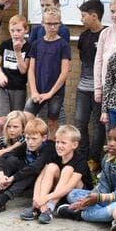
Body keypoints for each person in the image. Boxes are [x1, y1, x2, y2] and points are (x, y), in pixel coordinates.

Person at [57, 124, 116, 224]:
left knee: (115, 209)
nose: (111, 143)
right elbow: (103, 186)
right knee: (72, 194)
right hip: (108, 199)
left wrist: (100, 198)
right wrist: (89, 199)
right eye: (109, 139)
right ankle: (108, 217)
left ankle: (80, 214)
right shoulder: (108, 158)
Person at [0, 118, 54, 215]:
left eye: (34, 139)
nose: (30, 142)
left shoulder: (48, 147)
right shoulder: (26, 145)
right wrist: (0, 173)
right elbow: (4, 156)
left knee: (31, 172)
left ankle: (1, 202)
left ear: (44, 138)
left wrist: (12, 178)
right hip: (23, 176)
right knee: (11, 160)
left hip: (39, 182)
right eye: (27, 138)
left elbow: (35, 167)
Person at [22, 125, 92, 223]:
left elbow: (69, 187)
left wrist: (46, 198)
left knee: (68, 169)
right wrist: (37, 199)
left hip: (76, 193)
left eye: (63, 143)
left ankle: (50, 207)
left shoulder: (80, 160)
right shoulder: (54, 155)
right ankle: (39, 208)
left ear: (74, 145)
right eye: (57, 142)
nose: (59, 145)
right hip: (57, 192)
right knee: (51, 167)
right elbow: (40, 178)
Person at [27, 7, 72, 137]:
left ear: (60, 23)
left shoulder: (63, 45)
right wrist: (34, 91)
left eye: (55, 24)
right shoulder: (36, 44)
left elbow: (64, 72)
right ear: (42, 23)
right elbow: (31, 70)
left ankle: (52, 147)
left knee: (52, 122)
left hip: (55, 93)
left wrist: (50, 93)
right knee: (27, 117)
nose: (52, 27)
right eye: (49, 23)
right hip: (38, 90)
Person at [74, 0, 107, 171]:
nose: (81, 19)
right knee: (80, 122)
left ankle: (94, 159)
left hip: (100, 89)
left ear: (94, 16)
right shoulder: (83, 36)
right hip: (83, 88)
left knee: (98, 125)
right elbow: (83, 60)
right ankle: (82, 157)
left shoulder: (106, 35)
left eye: (83, 16)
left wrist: (100, 86)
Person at [0, 16, 30, 136]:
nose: (15, 34)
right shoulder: (4, 45)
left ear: (26, 30)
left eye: (18, 30)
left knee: (15, 121)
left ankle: (14, 144)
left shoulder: (29, 47)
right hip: (3, 87)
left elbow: (23, 70)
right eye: (12, 30)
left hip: (18, 88)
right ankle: (0, 143)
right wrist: (1, 75)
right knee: (2, 121)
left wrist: (18, 52)